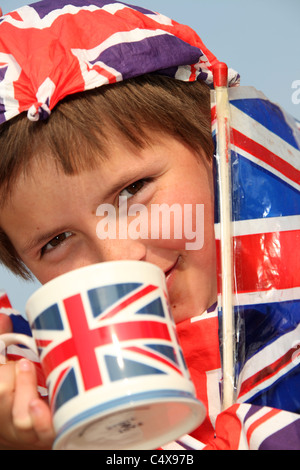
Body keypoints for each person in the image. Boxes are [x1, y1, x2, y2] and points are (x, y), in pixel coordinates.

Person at [0, 0, 299, 450]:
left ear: (220, 141)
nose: (120, 256)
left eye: (132, 190)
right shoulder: (30, 399)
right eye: (57, 240)